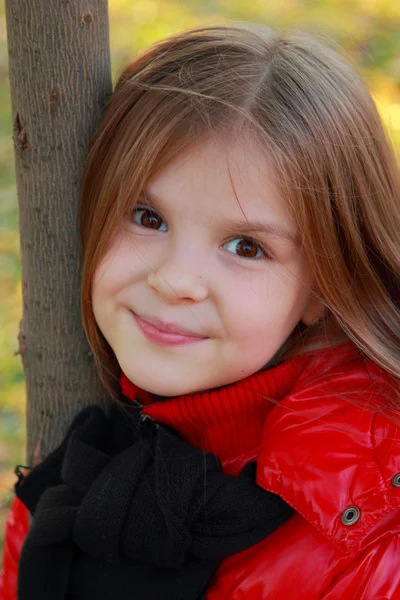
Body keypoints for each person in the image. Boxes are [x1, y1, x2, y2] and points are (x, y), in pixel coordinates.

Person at [1, 22, 400, 600]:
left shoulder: (369, 541)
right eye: (147, 216)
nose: (175, 280)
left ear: (323, 288)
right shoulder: (74, 478)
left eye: (246, 247)